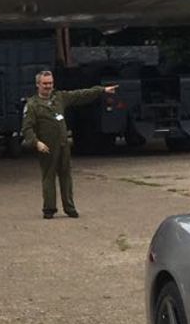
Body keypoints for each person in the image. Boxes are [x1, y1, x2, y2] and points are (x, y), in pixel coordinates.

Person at [19, 70, 118, 219]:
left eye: (50, 83)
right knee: (49, 177)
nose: (48, 86)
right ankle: (49, 208)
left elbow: (80, 95)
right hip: (47, 146)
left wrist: (101, 90)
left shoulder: (59, 98)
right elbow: (27, 128)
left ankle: (69, 207)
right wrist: (36, 142)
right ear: (38, 84)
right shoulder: (32, 105)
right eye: (45, 84)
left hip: (63, 144)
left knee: (66, 176)